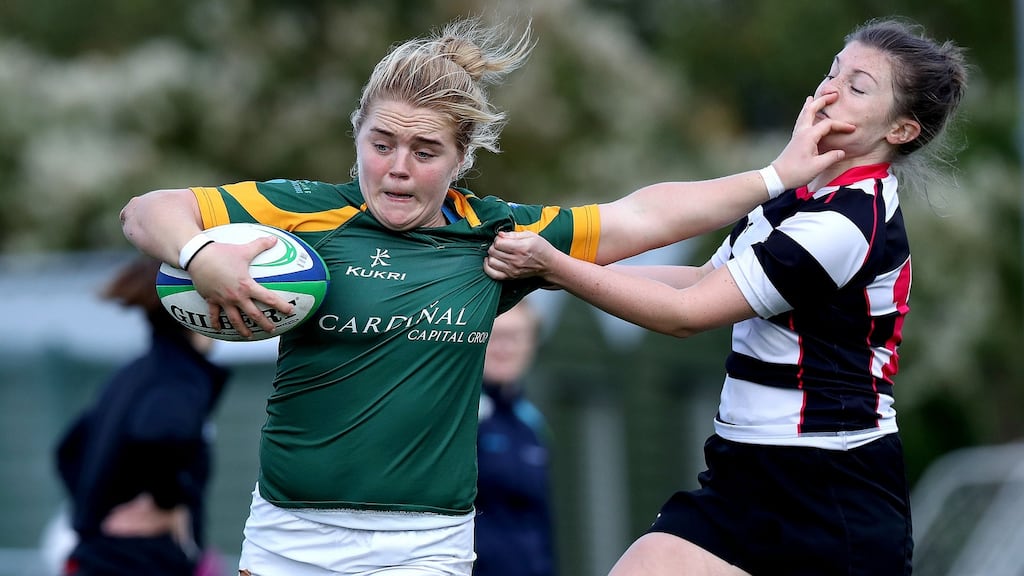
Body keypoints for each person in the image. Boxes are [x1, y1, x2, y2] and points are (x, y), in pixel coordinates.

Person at [117, 15, 853, 576]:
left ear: (463, 159)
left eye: (426, 150)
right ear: (358, 137)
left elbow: (640, 217)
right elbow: (146, 210)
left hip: (424, 546)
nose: (397, 168)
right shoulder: (302, 213)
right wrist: (200, 253)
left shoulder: (495, 241)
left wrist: (777, 174)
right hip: (289, 538)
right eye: (381, 143)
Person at [483, 17, 968, 576]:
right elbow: (696, 283)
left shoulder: (847, 223)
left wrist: (560, 268)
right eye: (833, 72)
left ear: (902, 130)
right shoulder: (798, 191)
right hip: (744, 473)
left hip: (830, 489)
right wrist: (552, 272)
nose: (831, 90)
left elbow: (687, 316)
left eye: (858, 87)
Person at [55, 256, 231, 576]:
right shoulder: (181, 375)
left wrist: (95, 513)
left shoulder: (133, 374)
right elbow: (161, 434)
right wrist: (166, 503)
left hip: (100, 556)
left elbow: (67, 449)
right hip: (141, 559)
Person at [474, 299, 554, 576]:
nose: (504, 348)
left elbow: (542, 519)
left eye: (515, 337)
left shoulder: (530, 422)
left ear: (531, 344)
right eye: (495, 337)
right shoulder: (460, 415)